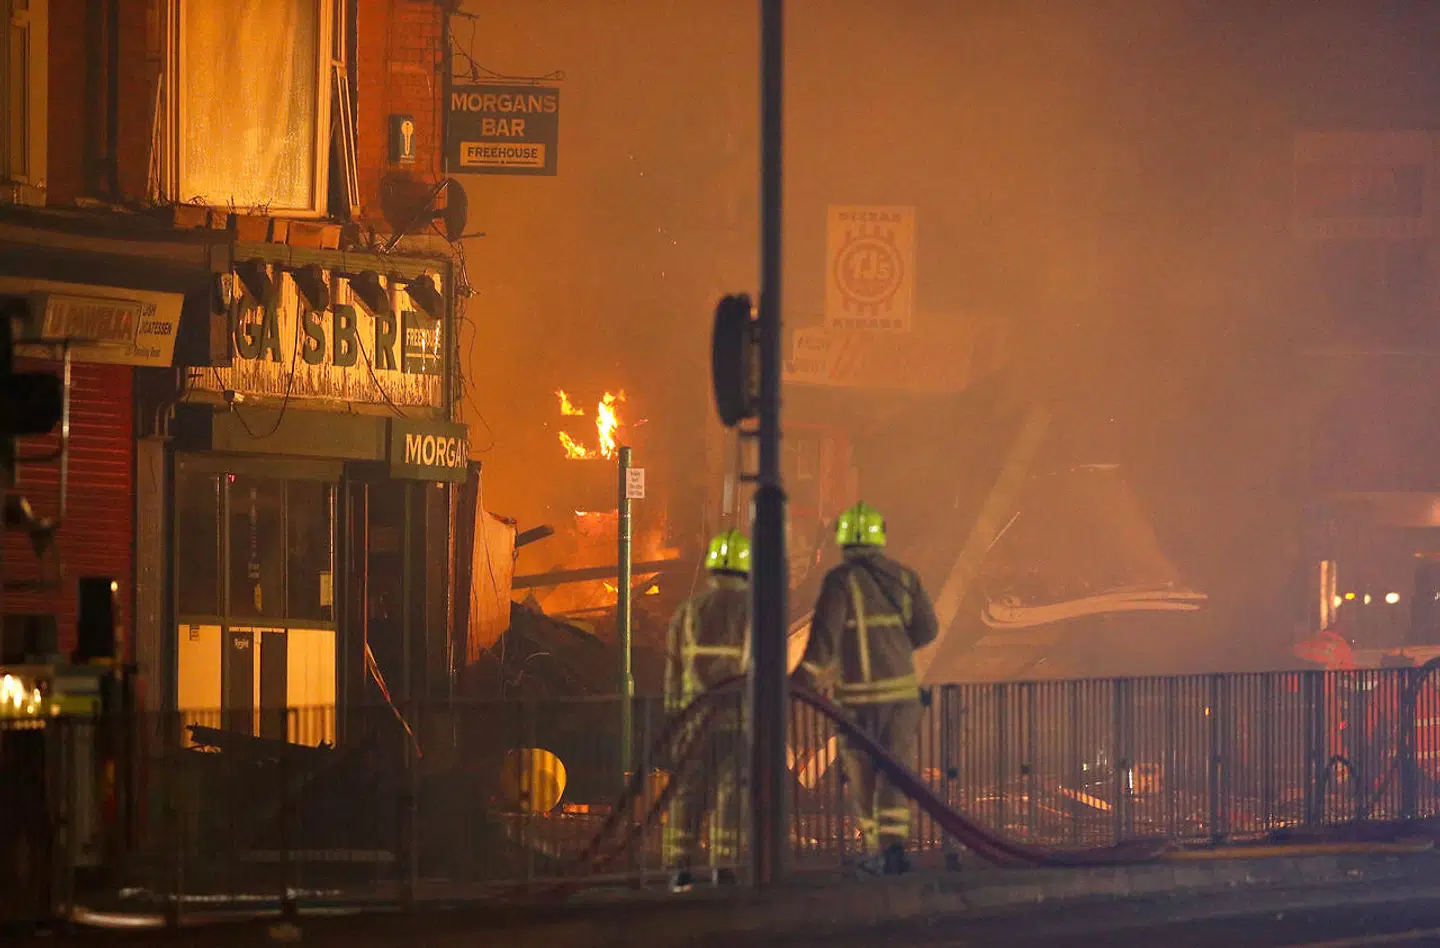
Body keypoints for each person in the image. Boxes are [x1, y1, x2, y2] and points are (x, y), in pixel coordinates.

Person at [796, 502, 938, 877]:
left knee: (864, 778)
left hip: (859, 704)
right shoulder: (904, 578)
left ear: (843, 540)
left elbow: (822, 646)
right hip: (903, 699)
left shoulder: (840, 582)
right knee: (896, 773)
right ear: (880, 538)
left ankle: (877, 850)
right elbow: (928, 630)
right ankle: (894, 852)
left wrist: (799, 684)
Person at [663, 528, 752, 891]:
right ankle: (724, 867)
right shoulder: (755, 611)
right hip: (736, 722)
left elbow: (672, 672)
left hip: (693, 721)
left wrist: (674, 721)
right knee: (729, 794)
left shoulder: (687, 612)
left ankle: (678, 868)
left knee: (687, 793)